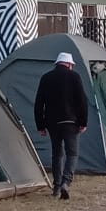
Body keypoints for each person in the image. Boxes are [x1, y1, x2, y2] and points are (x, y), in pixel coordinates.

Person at [35, 51, 88, 199]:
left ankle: (56, 187)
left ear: (57, 64)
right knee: (72, 153)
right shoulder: (75, 76)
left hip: (52, 123)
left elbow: (39, 103)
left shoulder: (46, 78)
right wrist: (83, 122)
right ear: (70, 64)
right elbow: (82, 101)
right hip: (71, 122)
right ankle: (66, 182)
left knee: (57, 154)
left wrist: (40, 125)